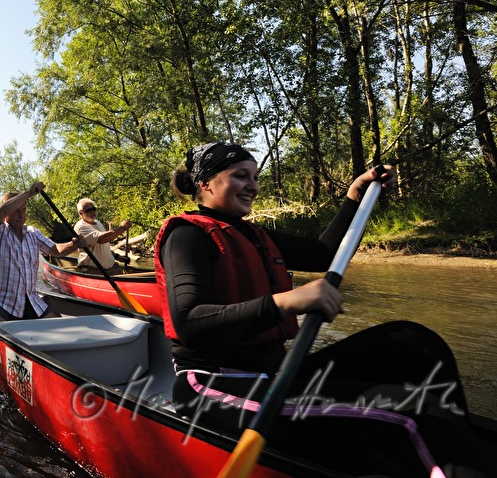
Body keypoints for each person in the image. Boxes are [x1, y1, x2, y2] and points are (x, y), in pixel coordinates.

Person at [155, 142, 494, 477]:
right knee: (408, 410)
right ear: (206, 184)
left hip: (275, 371)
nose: (253, 187)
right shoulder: (186, 235)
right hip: (214, 385)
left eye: (256, 177)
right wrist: (287, 301)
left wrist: (354, 196)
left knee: (416, 345)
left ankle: (458, 448)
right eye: (241, 176)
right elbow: (190, 323)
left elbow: (324, 254)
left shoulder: (255, 234)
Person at [0, 181, 80, 322]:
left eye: (23, 210)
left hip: (31, 301)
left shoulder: (32, 233)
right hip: (2, 301)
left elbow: (56, 250)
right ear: (6, 214)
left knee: (58, 326)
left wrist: (73, 244)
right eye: (15, 211)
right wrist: (28, 193)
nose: (21, 215)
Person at [73, 198, 131, 273]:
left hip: (111, 267)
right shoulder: (81, 227)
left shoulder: (98, 223)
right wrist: (122, 228)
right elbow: (102, 239)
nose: (92, 212)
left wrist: (117, 256)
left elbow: (104, 246)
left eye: (93, 209)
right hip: (93, 269)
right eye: (88, 210)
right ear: (80, 213)